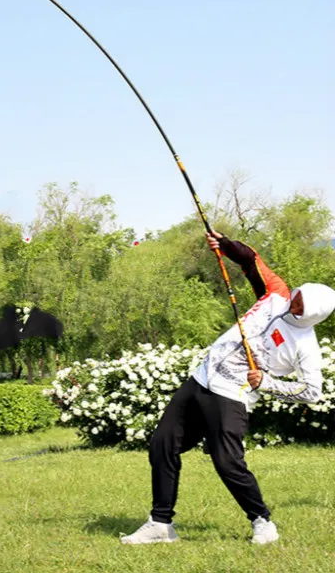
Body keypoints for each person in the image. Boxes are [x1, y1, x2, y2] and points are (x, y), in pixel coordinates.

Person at [121, 230, 335, 545]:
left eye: (301, 307)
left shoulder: (306, 347)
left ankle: (262, 521)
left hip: (232, 395)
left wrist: (268, 383)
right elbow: (252, 261)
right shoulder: (277, 294)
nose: (293, 305)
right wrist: (225, 245)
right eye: (297, 297)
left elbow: (312, 391)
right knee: (162, 444)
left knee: (226, 461)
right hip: (202, 378)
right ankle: (161, 523)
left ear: (312, 317)